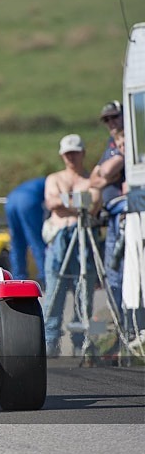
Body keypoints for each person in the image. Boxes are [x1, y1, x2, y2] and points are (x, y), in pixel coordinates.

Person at [42, 134, 100, 357]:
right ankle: (50, 341)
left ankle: (83, 340)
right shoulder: (54, 178)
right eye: (68, 154)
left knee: (84, 290)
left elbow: (94, 204)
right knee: (54, 291)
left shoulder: (90, 179)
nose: (72, 158)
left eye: (75, 153)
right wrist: (79, 201)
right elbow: (52, 203)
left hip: (84, 237)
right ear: (62, 156)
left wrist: (66, 201)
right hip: (59, 237)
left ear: (83, 153)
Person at [89, 100, 129, 332]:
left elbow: (105, 170)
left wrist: (108, 171)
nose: (111, 123)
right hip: (111, 213)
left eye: (114, 117)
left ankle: (129, 321)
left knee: (121, 265)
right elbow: (96, 176)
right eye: (107, 119)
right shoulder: (111, 143)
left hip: (124, 212)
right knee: (111, 269)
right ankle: (117, 321)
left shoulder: (132, 140)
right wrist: (107, 176)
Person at [4, 177, 47, 285]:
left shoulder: (38, 181)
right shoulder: (55, 181)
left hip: (11, 199)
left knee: (16, 242)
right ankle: (45, 277)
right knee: (36, 240)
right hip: (28, 200)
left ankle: (18, 278)